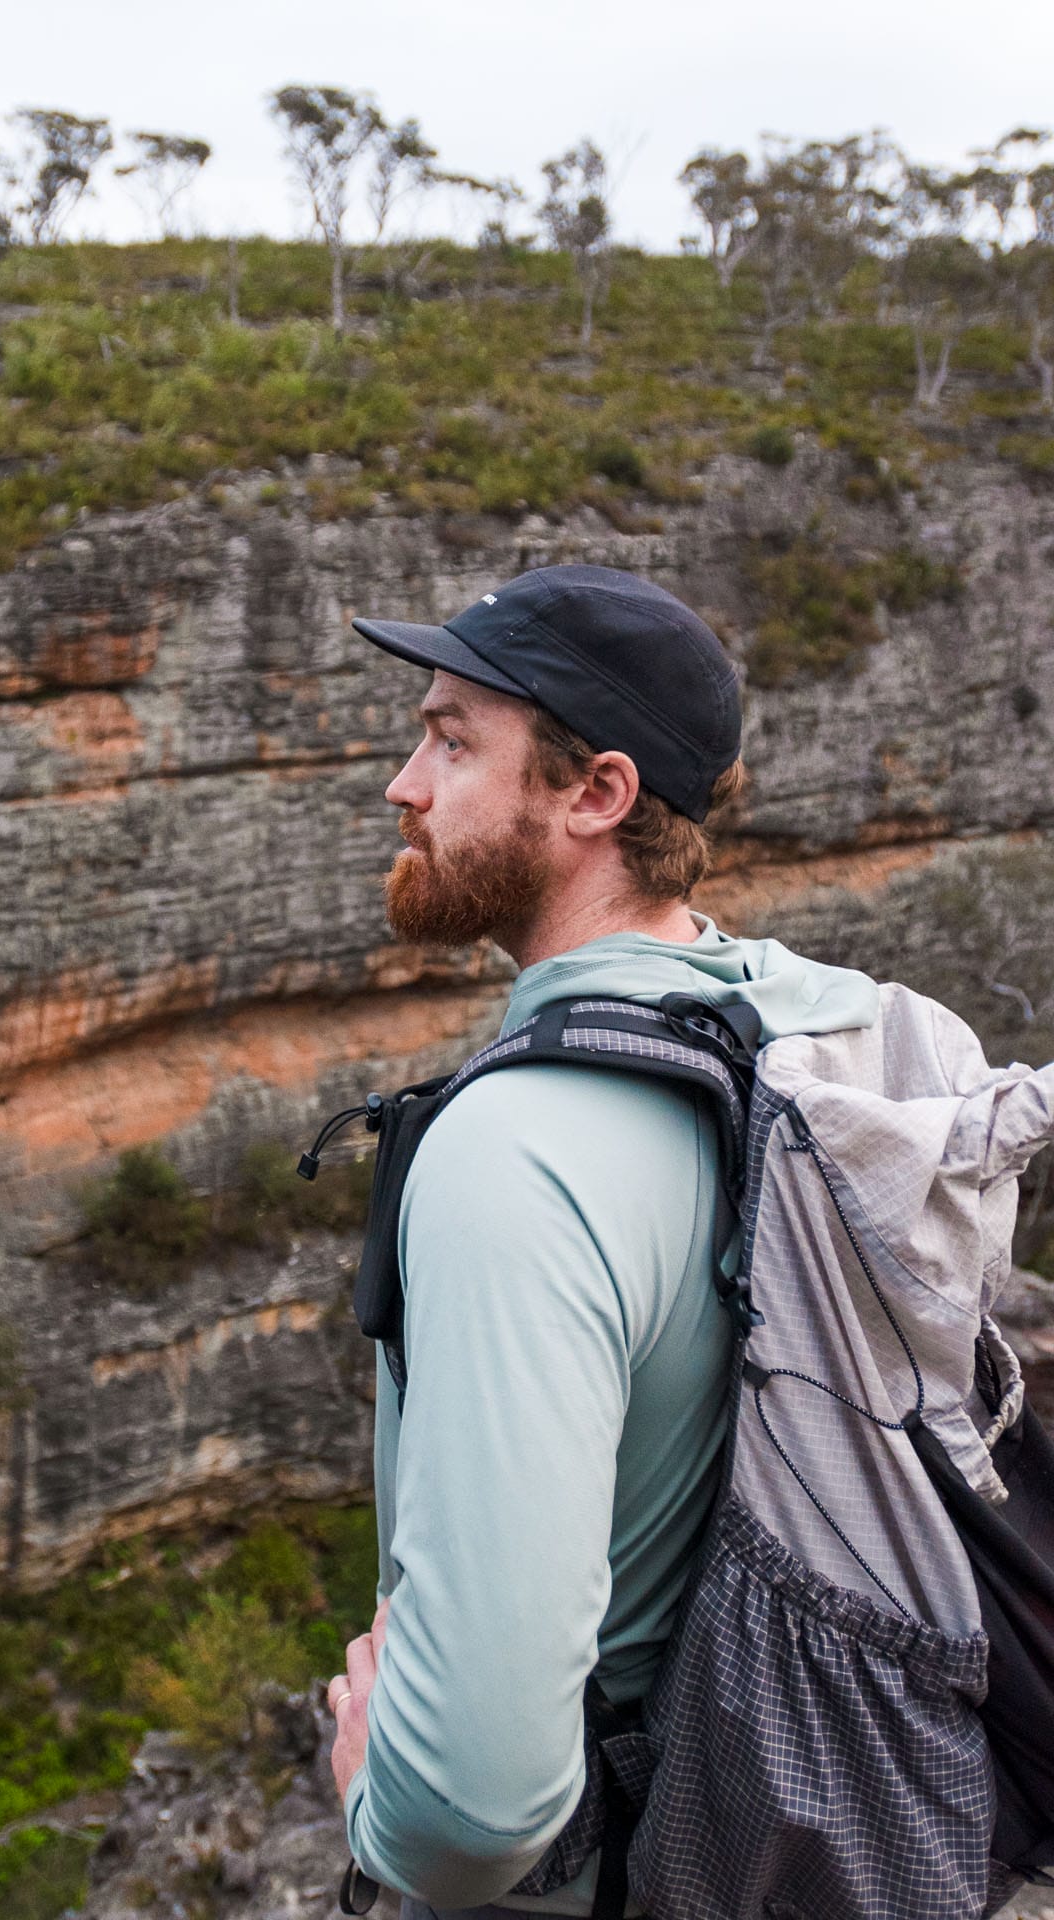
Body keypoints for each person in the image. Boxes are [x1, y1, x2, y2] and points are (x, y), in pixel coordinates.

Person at [321, 565, 880, 1919]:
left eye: (454, 740)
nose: (405, 783)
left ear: (597, 796)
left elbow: (475, 1804)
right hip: (808, 1818)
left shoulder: (517, 1160)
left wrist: (370, 1792)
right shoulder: (833, 1039)